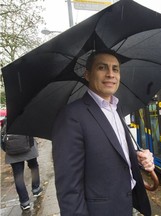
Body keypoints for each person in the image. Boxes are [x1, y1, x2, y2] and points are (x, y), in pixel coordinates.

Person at [52, 50, 155, 216]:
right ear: (87, 74)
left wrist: (137, 157)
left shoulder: (116, 109)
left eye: (115, 69)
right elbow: (69, 188)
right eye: (102, 67)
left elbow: (110, 151)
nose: (110, 74)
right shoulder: (71, 116)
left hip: (126, 206)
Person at [1, 118, 42, 211]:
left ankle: (25, 202)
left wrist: (8, 150)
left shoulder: (6, 121)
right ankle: (36, 189)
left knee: (18, 176)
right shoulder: (27, 117)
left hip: (13, 153)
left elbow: (2, 140)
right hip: (29, 149)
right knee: (34, 167)